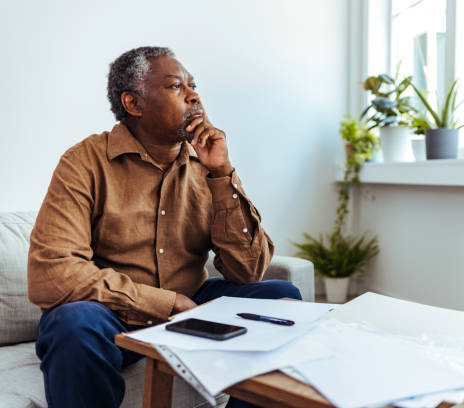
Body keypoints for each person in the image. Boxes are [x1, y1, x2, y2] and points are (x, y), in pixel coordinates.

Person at [27, 46, 301, 408]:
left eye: (193, 85)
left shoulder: (207, 165)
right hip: (112, 316)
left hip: (192, 310)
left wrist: (222, 174)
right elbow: (52, 274)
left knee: (282, 299)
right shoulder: (84, 162)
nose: (194, 96)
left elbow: (249, 272)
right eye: (176, 86)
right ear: (134, 103)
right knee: (73, 323)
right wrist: (164, 302)